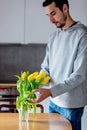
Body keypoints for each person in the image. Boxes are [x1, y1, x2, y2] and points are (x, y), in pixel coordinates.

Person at [31, 0, 87, 130]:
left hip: (71, 105)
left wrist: (50, 91)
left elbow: (79, 75)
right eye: (48, 16)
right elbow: (46, 68)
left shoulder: (83, 35)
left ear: (65, 8)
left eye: (53, 13)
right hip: (53, 102)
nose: (51, 20)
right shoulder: (54, 36)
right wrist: (33, 85)